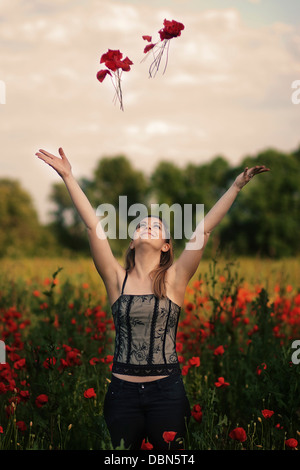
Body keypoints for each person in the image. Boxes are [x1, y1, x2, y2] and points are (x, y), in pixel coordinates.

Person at [35, 147, 270, 449]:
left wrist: (236, 187)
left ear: (166, 247)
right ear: (132, 243)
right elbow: (93, 226)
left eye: (156, 226)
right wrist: (68, 176)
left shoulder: (174, 280)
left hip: (167, 394)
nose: (147, 226)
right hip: (121, 396)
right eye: (141, 225)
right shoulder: (115, 279)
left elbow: (204, 230)